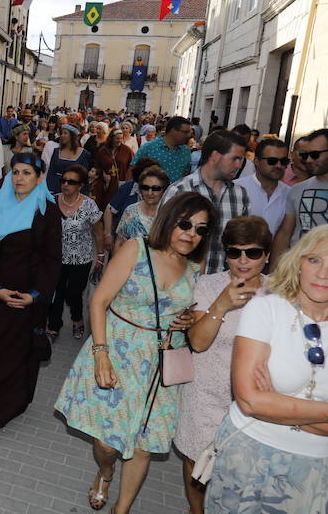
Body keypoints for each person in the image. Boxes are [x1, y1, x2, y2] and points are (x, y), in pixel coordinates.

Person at [56, 192, 216, 513]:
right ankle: (105, 471)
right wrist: (101, 354)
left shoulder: (195, 266)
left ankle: (122, 508)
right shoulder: (137, 248)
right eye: (185, 224)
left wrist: (186, 321)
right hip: (118, 352)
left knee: (143, 447)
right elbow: (98, 301)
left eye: (201, 229)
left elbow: (189, 314)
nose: (191, 234)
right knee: (106, 443)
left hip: (162, 365)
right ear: (170, 220)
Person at [203, 224, 328, 514]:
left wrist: (278, 404)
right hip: (251, 456)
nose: (323, 273)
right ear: (298, 262)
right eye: (314, 260)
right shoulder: (266, 309)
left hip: (322, 469)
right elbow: (251, 401)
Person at [171, 216, 270, 513]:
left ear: (267, 254)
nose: (242, 260)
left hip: (251, 398)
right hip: (204, 391)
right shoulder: (208, 285)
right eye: (234, 252)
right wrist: (222, 305)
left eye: (252, 253)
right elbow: (198, 342)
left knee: (240, 469)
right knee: (195, 458)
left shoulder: (281, 293)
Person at [0, 152, 61, 428]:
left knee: (19, 352)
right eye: (16, 172)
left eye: (27, 173)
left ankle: (12, 405)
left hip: (29, 296)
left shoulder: (47, 211)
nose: (20, 178)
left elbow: (52, 258)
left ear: (39, 178)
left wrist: (35, 296)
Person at [270, 128, 328, 268]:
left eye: (314, 155)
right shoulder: (297, 190)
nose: (308, 160)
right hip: (296, 273)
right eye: (304, 155)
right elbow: (285, 233)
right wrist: (273, 274)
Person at [161, 131, 250, 273]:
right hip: (182, 283)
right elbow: (161, 240)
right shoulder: (180, 190)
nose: (239, 165)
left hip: (223, 283)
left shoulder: (240, 194)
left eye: (241, 160)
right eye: (235, 159)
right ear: (215, 156)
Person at [50, 165, 103, 341]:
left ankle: (77, 318)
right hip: (55, 257)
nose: (65, 185)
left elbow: (98, 232)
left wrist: (101, 257)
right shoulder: (51, 200)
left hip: (81, 258)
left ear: (80, 186)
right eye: (63, 181)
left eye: (71, 182)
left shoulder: (89, 205)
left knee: (73, 293)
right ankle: (53, 325)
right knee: (55, 292)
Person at [103, 157, 161, 252]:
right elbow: (109, 210)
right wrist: (108, 234)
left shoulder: (160, 192)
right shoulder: (128, 188)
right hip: (123, 243)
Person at [235, 138, 290, 235]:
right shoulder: (236, 188)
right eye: (272, 161)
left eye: (284, 161)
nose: (279, 165)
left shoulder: (291, 194)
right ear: (256, 161)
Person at [115, 165, 170, 251]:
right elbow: (120, 242)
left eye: (155, 188)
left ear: (164, 190)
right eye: (145, 187)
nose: (150, 192)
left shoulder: (171, 214)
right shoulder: (130, 211)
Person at [130, 116, 192, 183]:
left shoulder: (186, 151)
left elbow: (186, 174)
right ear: (173, 131)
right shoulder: (149, 147)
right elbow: (132, 170)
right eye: (185, 132)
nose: (188, 135)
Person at [47, 124, 93, 195]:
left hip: (74, 190)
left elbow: (84, 176)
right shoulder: (56, 151)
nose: (62, 135)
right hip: (56, 188)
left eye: (65, 133)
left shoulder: (84, 154)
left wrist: (84, 193)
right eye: (61, 133)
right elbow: (51, 172)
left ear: (73, 136)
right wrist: (49, 190)